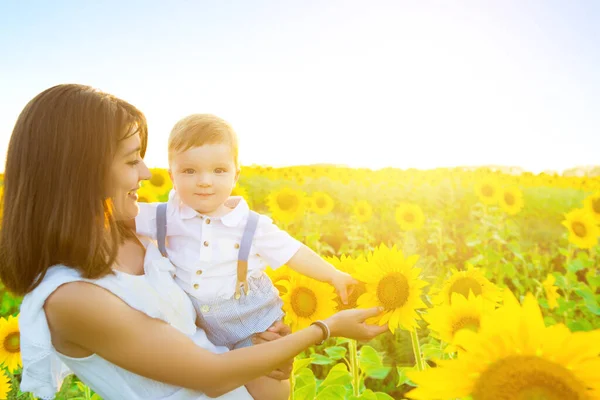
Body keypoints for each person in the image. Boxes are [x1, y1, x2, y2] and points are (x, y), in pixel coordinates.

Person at [0, 84, 388, 400]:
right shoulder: (72, 297)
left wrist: (259, 349)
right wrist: (327, 328)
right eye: (132, 160)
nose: (147, 172)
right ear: (80, 171)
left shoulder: (134, 234)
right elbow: (213, 376)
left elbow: (206, 339)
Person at [135, 113, 357, 353]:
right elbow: (111, 216)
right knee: (212, 382)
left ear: (235, 176)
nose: (205, 181)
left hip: (255, 324)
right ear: (172, 177)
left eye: (219, 170)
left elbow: (293, 252)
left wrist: (333, 275)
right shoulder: (164, 216)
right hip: (194, 327)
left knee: (264, 386)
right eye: (189, 171)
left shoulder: (251, 225)